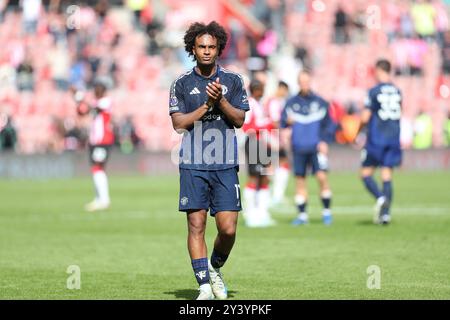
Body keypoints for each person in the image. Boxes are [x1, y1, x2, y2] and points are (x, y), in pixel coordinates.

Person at [168, 21, 249, 300]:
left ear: (219, 49)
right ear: (193, 48)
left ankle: (214, 268)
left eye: (211, 47)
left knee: (228, 229)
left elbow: (239, 119)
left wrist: (222, 102)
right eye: (201, 46)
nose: (206, 51)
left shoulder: (233, 81)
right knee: (196, 226)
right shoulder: (181, 83)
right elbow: (178, 124)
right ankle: (203, 285)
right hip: (192, 163)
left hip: (225, 164)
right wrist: (206, 106)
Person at [280, 70, 335, 226]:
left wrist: (324, 141)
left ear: (310, 82)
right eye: (302, 82)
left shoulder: (320, 102)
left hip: (316, 148)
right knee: (300, 181)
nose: (305, 84)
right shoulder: (291, 103)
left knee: (322, 178)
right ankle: (302, 215)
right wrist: (287, 124)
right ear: (298, 83)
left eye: (307, 81)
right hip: (299, 148)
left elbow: (330, 125)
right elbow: (283, 123)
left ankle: (326, 212)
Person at [360, 59, 402, 225]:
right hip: (393, 138)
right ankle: (385, 215)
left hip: (377, 138)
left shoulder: (373, 91)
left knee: (365, 174)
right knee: (386, 175)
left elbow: (365, 117)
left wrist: (357, 132)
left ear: (378, 70)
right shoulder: (398, 91)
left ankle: (380, 198)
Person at [73, 80, 114, 212]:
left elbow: (90, 108)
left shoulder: (105, 101)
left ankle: (104, 199)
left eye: (97, 89)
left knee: (98, 168)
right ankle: (99, 198)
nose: (95, 91)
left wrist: (79, 97)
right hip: (95, 141)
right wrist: (78, 100)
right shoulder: (97, 103)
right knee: (96, 169)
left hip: (103, 141)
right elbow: (82, 112)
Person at [242, 79, 275, 228]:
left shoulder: (260, 104)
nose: (263, 92)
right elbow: (246, 126)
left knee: (265, 177)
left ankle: (262, 212)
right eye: (261, 89)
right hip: (254, 143)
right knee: (254, 177)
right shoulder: (249, 104)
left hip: (263, 144)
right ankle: (250, 214)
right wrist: (266, 125)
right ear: (255, 90)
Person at [265, 81, 290, 206]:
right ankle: (271, 195)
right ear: (281, 89)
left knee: (279, 165)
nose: (285, 93)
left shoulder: (274, 101)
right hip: (272, 138)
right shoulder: (274, 102)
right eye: (285, 90)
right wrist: (283, 134)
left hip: (271, 137)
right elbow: (275, 122)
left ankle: (273, 195)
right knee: (273, 166)